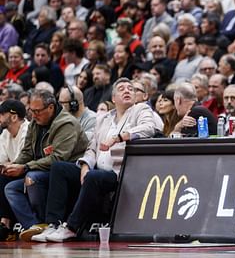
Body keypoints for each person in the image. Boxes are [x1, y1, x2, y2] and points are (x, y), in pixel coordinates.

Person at [30, 78, 157, 242]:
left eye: (131, 89)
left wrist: (119, 137)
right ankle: (53, 224)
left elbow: (149, 128)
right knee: (59, 168)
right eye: (122, 89)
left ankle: (71, 228)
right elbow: (91, 148)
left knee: (93, 177)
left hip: (120, 172)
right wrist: (84, 165)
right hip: (96, 169)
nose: (127, 90)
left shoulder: (140, 109)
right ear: (113, 99)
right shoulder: (103, 119)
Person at [3, 90, 88, 242]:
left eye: (37, 111)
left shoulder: (66, 123)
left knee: (32, 178)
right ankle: (34, 226)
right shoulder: (36, 123)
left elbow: (59, 158)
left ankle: (49, 224)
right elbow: (27, 151)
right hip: (44, 169)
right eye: (31, 111)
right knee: (10, 188)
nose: (33, 115)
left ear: (50, 107)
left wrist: (25, 167)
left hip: (69, 171)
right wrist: (14, 165)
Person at [0, 100, 29, 241]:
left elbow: (23, 160)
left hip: (28, 171)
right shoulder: (5, 133)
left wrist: (8, 165)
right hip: (10, 172)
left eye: (1, 114)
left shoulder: (27, 129)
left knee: (3, 178)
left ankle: (5, 223)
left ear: (13, 116)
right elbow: (1, 160)